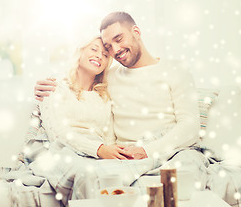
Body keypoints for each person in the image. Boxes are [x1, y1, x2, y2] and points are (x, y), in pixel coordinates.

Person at [34, 11, 209, 199]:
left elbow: (190, 127)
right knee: (101, 182)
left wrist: (146, 151)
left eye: (119, 39)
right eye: (108, 47)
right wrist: (45, 85)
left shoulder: (175, 70)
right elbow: (78, 78)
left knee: (186, 174)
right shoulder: (109, 76)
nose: (115, 50)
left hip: (170, 149)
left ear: (136, 32)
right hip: (125, 156)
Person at [38, 36, 132, 160]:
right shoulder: (55, 87)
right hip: (64, 152)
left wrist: (113, 155)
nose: (99, 56)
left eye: (105, 55)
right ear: (80, 51)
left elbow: (109, 138)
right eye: (94, 49)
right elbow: (56, 132)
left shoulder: (104, 97)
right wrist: (97, 149)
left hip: (98, 156)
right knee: (88, 173)